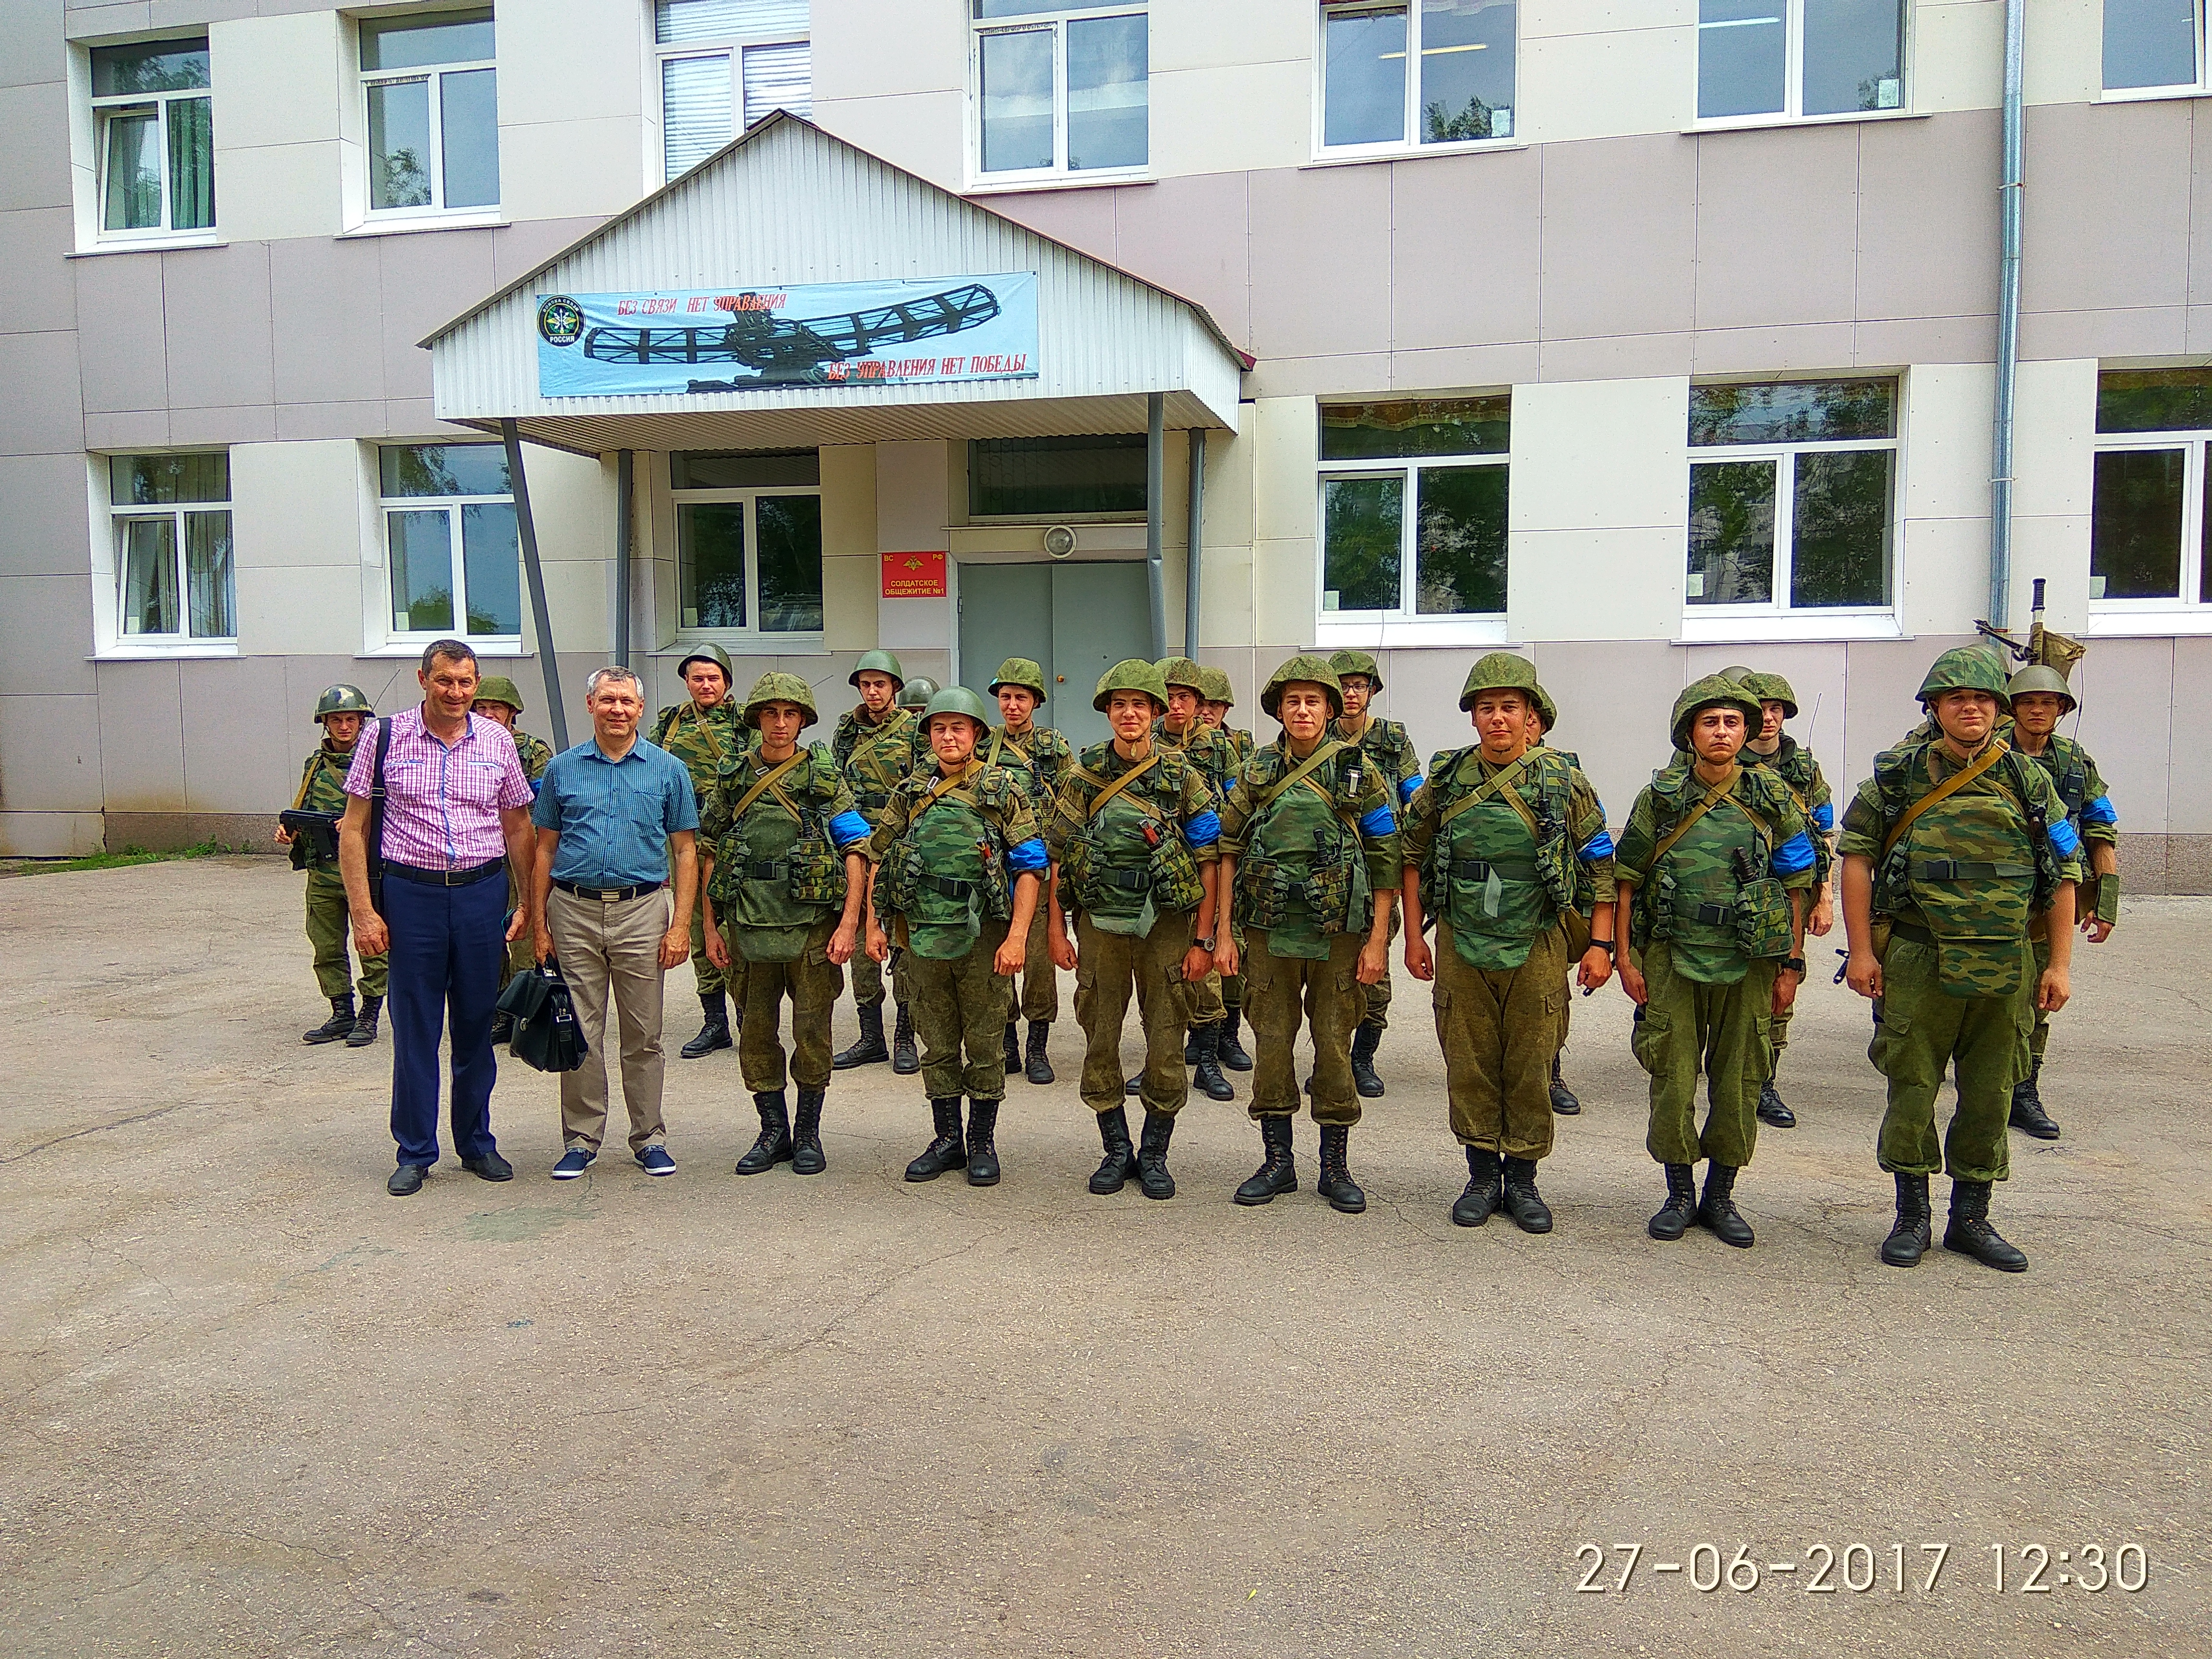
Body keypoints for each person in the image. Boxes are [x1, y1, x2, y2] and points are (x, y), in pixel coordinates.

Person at [1840, 648, 2081, 1273]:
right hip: (1920, 955)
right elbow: (1858, 859)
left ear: (1997, 710)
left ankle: (1972, 1217)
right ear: (1935, 710)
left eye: (1981, 699)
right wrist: (1864, 951)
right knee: (1913, 1083)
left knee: (1991, 1090)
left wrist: (2059, 964)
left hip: (2006, 959)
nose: (1970, 707)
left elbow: (2063, 874)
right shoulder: (1897, 777)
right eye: (1956, 699)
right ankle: (1912, 1216)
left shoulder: (2031, 781)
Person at [1400, 654, 1616, 1233]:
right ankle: (1480, 1175)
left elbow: (1601, 864)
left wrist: (1601, 945)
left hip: (1537, 941)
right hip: (1460, 940)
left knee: (1530, 1059)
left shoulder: (1563, 780)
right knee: (1468, 1059)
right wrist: (1412, 938)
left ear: (1531, 718)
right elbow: (1411, 856)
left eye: (1510, 708)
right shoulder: (1445, 781)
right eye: (1487, 708)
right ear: (1473, 718)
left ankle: (1522, 1180)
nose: (1498, 719)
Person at [1613, 676, 1816, 1250]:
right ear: (1689, 733)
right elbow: (1627, 878)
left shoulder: (1772, 796)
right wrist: (1627, 958)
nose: (1722, 732)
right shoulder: (1660, 797)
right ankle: (1679, 1192)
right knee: (1673, 1078)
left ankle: (1721, 1195)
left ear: (1747, 731)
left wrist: (1791, 964)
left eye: (1732, 722)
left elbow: (1797, 882)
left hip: (1751, 960)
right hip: (1673, 957)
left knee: (1739, 1080)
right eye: (1710, 722)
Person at [337, 639, 537, 1197]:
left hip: (480, 895)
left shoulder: (497, 739)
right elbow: (352, 829)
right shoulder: (384, 737)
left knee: (477, 1027)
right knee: (416, 1029)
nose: (456, 693)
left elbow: (519, 826)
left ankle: (476, 1143)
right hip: (412, 897)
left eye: (466, 683)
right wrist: (363, 912)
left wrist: (527, 904)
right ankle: (416, 1151)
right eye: (445, 681)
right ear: (424, 679)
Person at [1214, 656, 1402, 1214]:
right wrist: (1223, 934)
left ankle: (1335, 1166)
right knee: (1272, 1044)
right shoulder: (1256, 771)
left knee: (1334, 1045)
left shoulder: (1357, 771)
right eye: (1292, 701)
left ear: (1328, 708)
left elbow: (1385, 855)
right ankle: (1277, 1163)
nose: (1302, 710)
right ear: (1279, 709)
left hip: (1340, 933)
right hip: (1269, 931)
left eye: (1313, 701)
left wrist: (1377, 943)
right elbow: (1226, 849)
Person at [1043, 660, 1223, 1199]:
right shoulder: (1084, 774)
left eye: (1139, 705)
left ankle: (1154, 1153)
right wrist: (1056, 931)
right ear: (1107, 713)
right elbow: (1054, 856)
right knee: (1101, 1034)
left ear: (1155, 713)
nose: (1129, 714)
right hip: (1099, 924)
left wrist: (1204, 939)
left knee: (1167, 1036)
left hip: (1166, 926)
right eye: (1119, 705)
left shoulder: (1181, 777)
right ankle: (1116, 1149)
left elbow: (1210, 857)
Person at [863, 686, 1047, 1187]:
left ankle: (982, 1141)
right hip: (921, 936)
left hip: (983, 938)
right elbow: (878, 856)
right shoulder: (910, 793)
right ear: (928, 736)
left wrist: (1017, 938)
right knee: (937, 1043)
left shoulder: (1003, 789)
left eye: (958, 728)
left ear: (976, 736)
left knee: (986, 1044)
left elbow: (1031, 866)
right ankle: (947, 1139)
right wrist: (873, 925)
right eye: (940, 728)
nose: (949, 736)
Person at [699, 673, 872, 1177]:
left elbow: (856, 850)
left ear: (802, 720)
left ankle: (808, 1133)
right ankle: (772, 1130)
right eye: (770, 714)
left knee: (812, 1031)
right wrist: (711, 930)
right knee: (755, 1033)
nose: (780, 724)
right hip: (748, 927)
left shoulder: (821, 778)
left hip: (812, 930)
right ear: (756, 720)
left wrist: (848, 925)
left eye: (790, 714)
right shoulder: (733, 778)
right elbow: (708, 852)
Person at [530, 667, 700, 1179]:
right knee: (579, 1030)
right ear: (590, 705)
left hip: (643, 910)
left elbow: (686, 851)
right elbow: (544, 848)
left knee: (644, 1034)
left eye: (626, 701)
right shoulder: (562, 770)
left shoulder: (669, 770)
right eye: (607, 700)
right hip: (574, 911)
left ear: (640, 709)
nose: (617, 710)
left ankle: (649, 1137)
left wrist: (681, 926)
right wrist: (539, 923)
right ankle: (581, 1139)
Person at [2003, 664, 2119, 1140]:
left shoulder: (2075, 762)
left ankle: (2023, 1090)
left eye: (2048, 703)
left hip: (2053, 890)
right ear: (2011, 709)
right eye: (2028, 702)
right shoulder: (1990, 755)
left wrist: (2105, 899)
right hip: (1994, 890)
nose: (2037, 710)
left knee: (2043, 991)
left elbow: (2100, 825)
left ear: (2061, 710)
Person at [1735, 672, 1837, 1130]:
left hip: (1792, 891)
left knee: (1783, 984)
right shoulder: (1718, 757)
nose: (1771, 718)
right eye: (1763, 709)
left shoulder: (1804, 768)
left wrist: (1825, 897)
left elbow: (1824, 834)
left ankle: (1764, 1081)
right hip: (1735, 889)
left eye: (1778, 709)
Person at [1328, 649, 1424, 1100]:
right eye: (1343, 686)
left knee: (1374, 970)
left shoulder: (1391, 739)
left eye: (1359, 686)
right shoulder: (1315, 735)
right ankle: (1331, 1055)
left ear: (1371, 692)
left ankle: (1361, 1058)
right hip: (1328, 870)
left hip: (1377, 865)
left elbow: (1415, 793)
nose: (1351, 693)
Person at [833, 650, 928, 1074]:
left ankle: (905, 1034)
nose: (873, 692)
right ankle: (871, 1036)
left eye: (881, 684)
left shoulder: (914, 730)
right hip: (856, 847)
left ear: (895, 688)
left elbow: (928, 783)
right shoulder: (845, 731)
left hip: (901, 845)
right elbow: (834, 786)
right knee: (857, 941)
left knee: (902, 942)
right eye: (866, 684)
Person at [1150, 657, 1238, 1102]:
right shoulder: (1146, 742)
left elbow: (1237, 804)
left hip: (1205, 866)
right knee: (1161, 970)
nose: (1175, 705)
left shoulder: (1216, 747)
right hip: (1159, 875)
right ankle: (1159, 1062)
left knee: (1205, 969)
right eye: (1167, 696)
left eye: (1184, 697)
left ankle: (1205, 1060)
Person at [279, 684, 387, 1049]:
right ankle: (341, 1010)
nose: (344, 727)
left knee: (372, 945)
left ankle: (371, 1013)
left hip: (364, 871)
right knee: (326, 945)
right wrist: (289, 829)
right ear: (325, 723)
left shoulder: (378, 762)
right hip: (322, 870)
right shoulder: (316, 765)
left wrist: (359, 823)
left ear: (362, 722)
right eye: (337, 720)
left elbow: (397, 814)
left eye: (351, 719)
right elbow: (303, 805)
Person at [650, 645, 744, 1060]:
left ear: (726, 681)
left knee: (739, 926)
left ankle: (749, 1014)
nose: (706, 685)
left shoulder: (747, 723)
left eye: (713, 678)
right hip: (685, 839)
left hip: (736, 839)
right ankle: (715, 1022)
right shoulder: (670, 723)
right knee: (692, 926)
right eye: (697, 678)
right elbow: (646, 770)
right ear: (687, 682)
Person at [985, 657, 1076, 1084]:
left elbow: (1071, 803)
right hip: (996, 864)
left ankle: (1037, 1044)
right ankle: (1007, 1041)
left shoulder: (1053, 746)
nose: (1013, 706)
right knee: (998, 952)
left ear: (1036, 701)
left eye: (1021, 697)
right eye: (1006, 697)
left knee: (1038, 957)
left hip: (1039, 861)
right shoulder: (985, 744)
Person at [472, 675, 553, 1041]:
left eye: (496, 708)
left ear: (512, 713)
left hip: (524, 851)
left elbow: (544, 803)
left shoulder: (532, 751)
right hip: (482, 855)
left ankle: (527, 1008)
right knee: (488, 935)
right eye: (482, 708)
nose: (488, 715)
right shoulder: (465, 745)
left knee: (525, 932)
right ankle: (498, 1008)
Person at [1523, 682, 1584, 1118]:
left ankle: (1551, 1071)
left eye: (1532, 719)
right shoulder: (1468, 774)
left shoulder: (1564, 776)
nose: (1522, 726)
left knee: (1551, 1002)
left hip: (1552, 909)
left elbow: (1594, 851)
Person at [1196, 665, 1254, 1071]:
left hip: (1230, 856)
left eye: (1214, 704)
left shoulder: (1240, 746)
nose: (1206, 712)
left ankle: (1228, 1035)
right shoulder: (1170, 743)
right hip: (1190, 860)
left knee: (1232, 951)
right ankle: (1199, 1036)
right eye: (1201, 703)